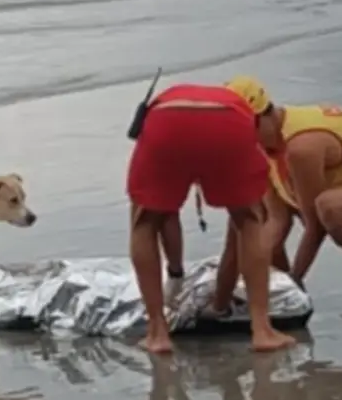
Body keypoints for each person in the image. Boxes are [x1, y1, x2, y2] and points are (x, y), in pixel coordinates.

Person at [211, 76, 342, 319]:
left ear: (262, 117)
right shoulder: (264, 146)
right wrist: (246, 279)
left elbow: (315, 226)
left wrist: (295, 279)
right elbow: (277, 221)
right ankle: (281, 300)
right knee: (262, 222)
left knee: (329, 207)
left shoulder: (302, 147)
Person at [126, 82, 297, 353]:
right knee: (249, 220)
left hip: (165, 120)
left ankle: (158, 333)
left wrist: (176, 271)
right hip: (229, 122)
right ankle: (262, 330)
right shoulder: (240, 105)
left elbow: (165, 215)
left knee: (145, 222)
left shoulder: (169, 96)